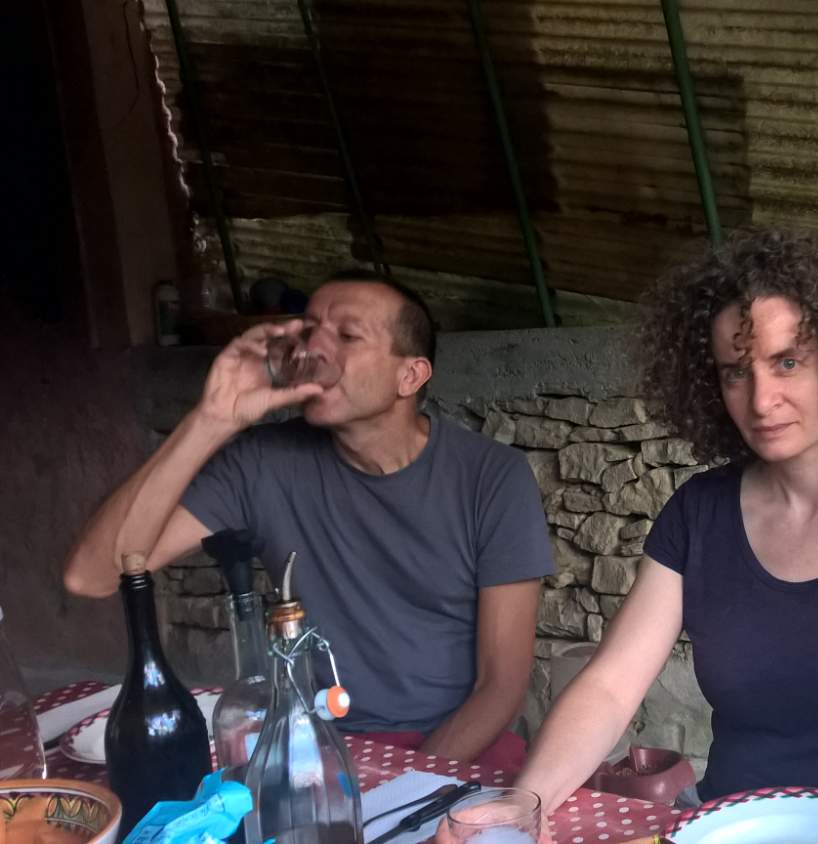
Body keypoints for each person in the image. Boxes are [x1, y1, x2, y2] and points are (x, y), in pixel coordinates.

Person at [515, 228, 818, 827]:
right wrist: (524, 803)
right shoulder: (698, 514)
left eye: (787, 362)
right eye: (735, 372)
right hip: (734, 829)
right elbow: (611, 685)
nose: (760, 400)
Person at [63, 271, 554, 768]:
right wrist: (211, 420)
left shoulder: (491, 478)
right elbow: (92, 574)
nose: (314, 348)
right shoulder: (262, 463)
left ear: (410, 376)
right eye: (310, 330)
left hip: (458, 751)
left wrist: (403, 784)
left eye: (347, 335)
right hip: (314, 748)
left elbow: (501, 686)